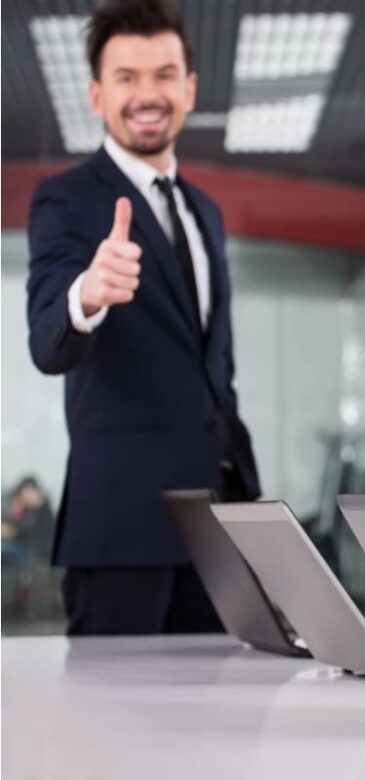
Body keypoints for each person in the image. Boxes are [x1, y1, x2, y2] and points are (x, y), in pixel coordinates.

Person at [26, 0, 260, 635]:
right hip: (123, 534)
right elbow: (48, 344)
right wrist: (87, 296)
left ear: (189, 89)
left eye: (163, 74)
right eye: (126, 77)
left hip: (221, 529)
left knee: (220, 724)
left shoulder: (204, 211)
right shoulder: (67, 199)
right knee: (111, 729)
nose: (147, 94)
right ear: (97, 95)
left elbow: (216, 369)